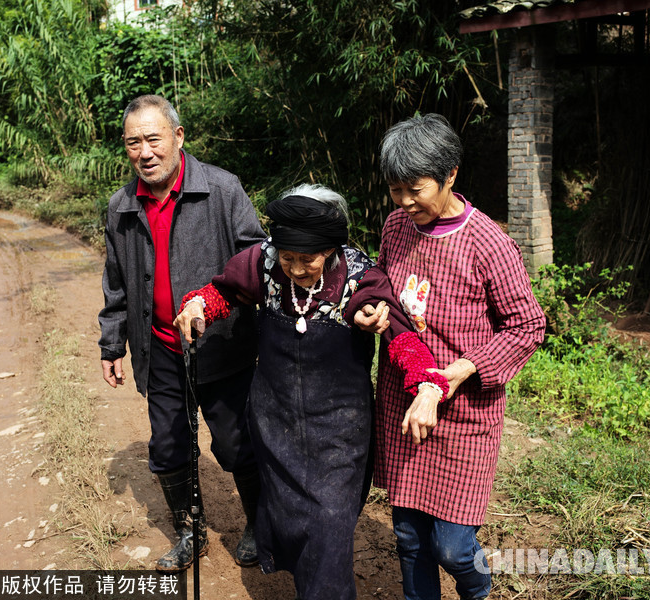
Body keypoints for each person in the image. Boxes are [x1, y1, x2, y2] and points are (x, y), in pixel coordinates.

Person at [174, 184, 450, 600]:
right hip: (276, 421)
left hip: (340, 431)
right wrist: (197, 305)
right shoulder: (262, 262)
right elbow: (222, 291)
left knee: (328, 524)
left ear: (333, 249)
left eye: (309, 259)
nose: (297, 269)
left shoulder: (361, 276)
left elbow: (399, 333)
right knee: (293, 519)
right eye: (288, 258)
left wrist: (427, 383)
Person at [354, 114, 546, 600]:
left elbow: (527, 325)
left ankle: (477, 591)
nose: (403, 202)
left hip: (465, 414)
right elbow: (383, 286)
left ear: (451, 175)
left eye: (414, 189)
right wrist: (375, 309)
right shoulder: (397, 226)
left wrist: (461, 369)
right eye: (395, 190)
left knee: (454, 549)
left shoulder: (488, 243)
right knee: (409, 538)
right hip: (405, 404)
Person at [98, 94, 266, 572]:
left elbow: (256, 260)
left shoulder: (221, 188)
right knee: (168, 446)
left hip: (223, 348)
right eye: (134, 143)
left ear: (177, 137)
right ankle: (191, 531)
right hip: (161, 350)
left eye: (153, 139)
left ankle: (257, 522)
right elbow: (116, 282)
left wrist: (217, 306)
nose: (145, 152)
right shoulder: (121, 207)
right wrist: (112, 344)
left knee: (236, 443)